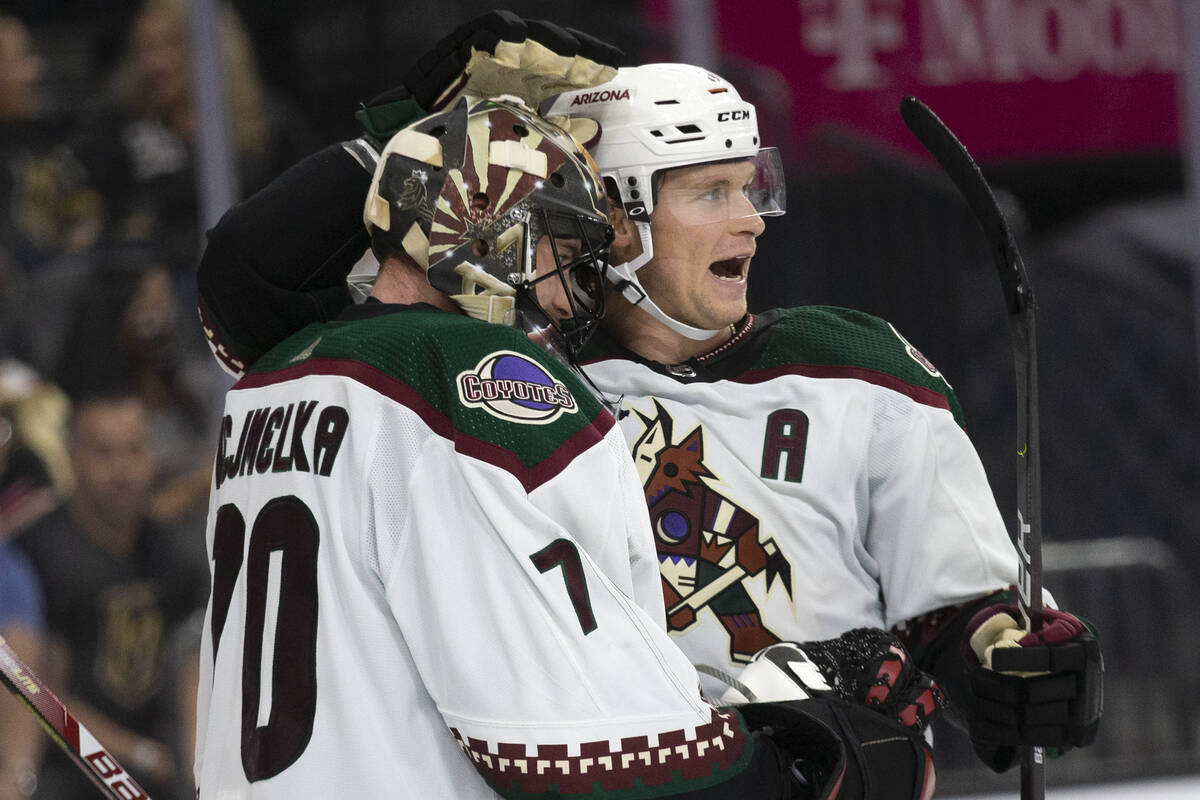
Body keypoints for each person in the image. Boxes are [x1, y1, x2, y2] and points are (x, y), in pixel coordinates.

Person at [194, 73, 945, 798]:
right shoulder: (472, 377)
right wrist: (790, 769)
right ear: (487, 236)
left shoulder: (272, 376)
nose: (572, 286)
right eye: (559, 248)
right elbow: (568, 743)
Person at [15, 389, 207, 799]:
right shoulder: (38, 555)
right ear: (71, 457)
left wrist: (194, 768)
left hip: (159, 773)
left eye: (134, 450)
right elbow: (40, 697)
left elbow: (192, 666)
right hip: (62, 773)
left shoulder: (172, 555)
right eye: (103, 453)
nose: (122, 470)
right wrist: (136, 756)